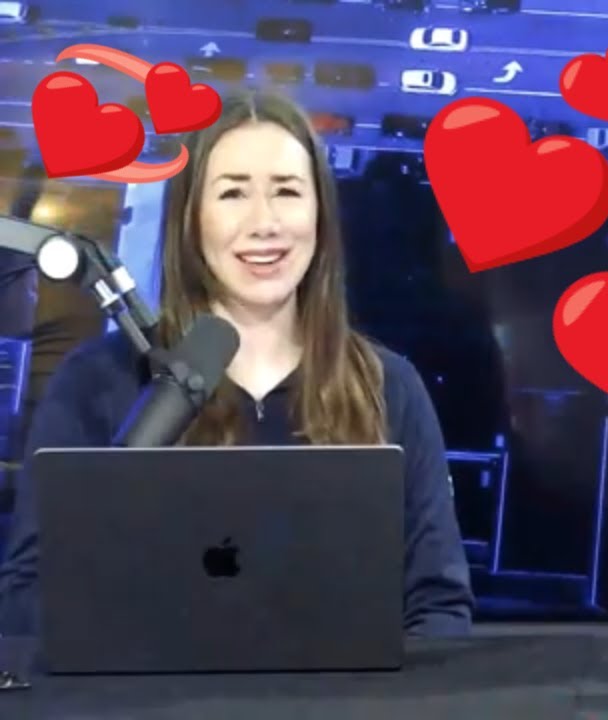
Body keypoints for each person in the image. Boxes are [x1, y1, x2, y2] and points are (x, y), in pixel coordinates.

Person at [0, 91, 474, 636]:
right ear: (191, 219)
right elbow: (27, 597)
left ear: (320, 214)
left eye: (287, 191)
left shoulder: (390, 387)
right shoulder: (96, 382)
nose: (264, 222)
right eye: (233, 193)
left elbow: (438, 605)